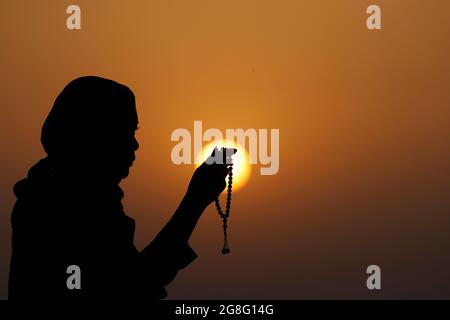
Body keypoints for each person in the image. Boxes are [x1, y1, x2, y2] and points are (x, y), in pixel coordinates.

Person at [9, 76, 234, 300]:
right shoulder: (60, 207)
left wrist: (195, 199)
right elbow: (133, 285)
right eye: (125, 131)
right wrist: (194, 201)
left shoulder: (72, 197)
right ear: (94, 135)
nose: (135, 144)